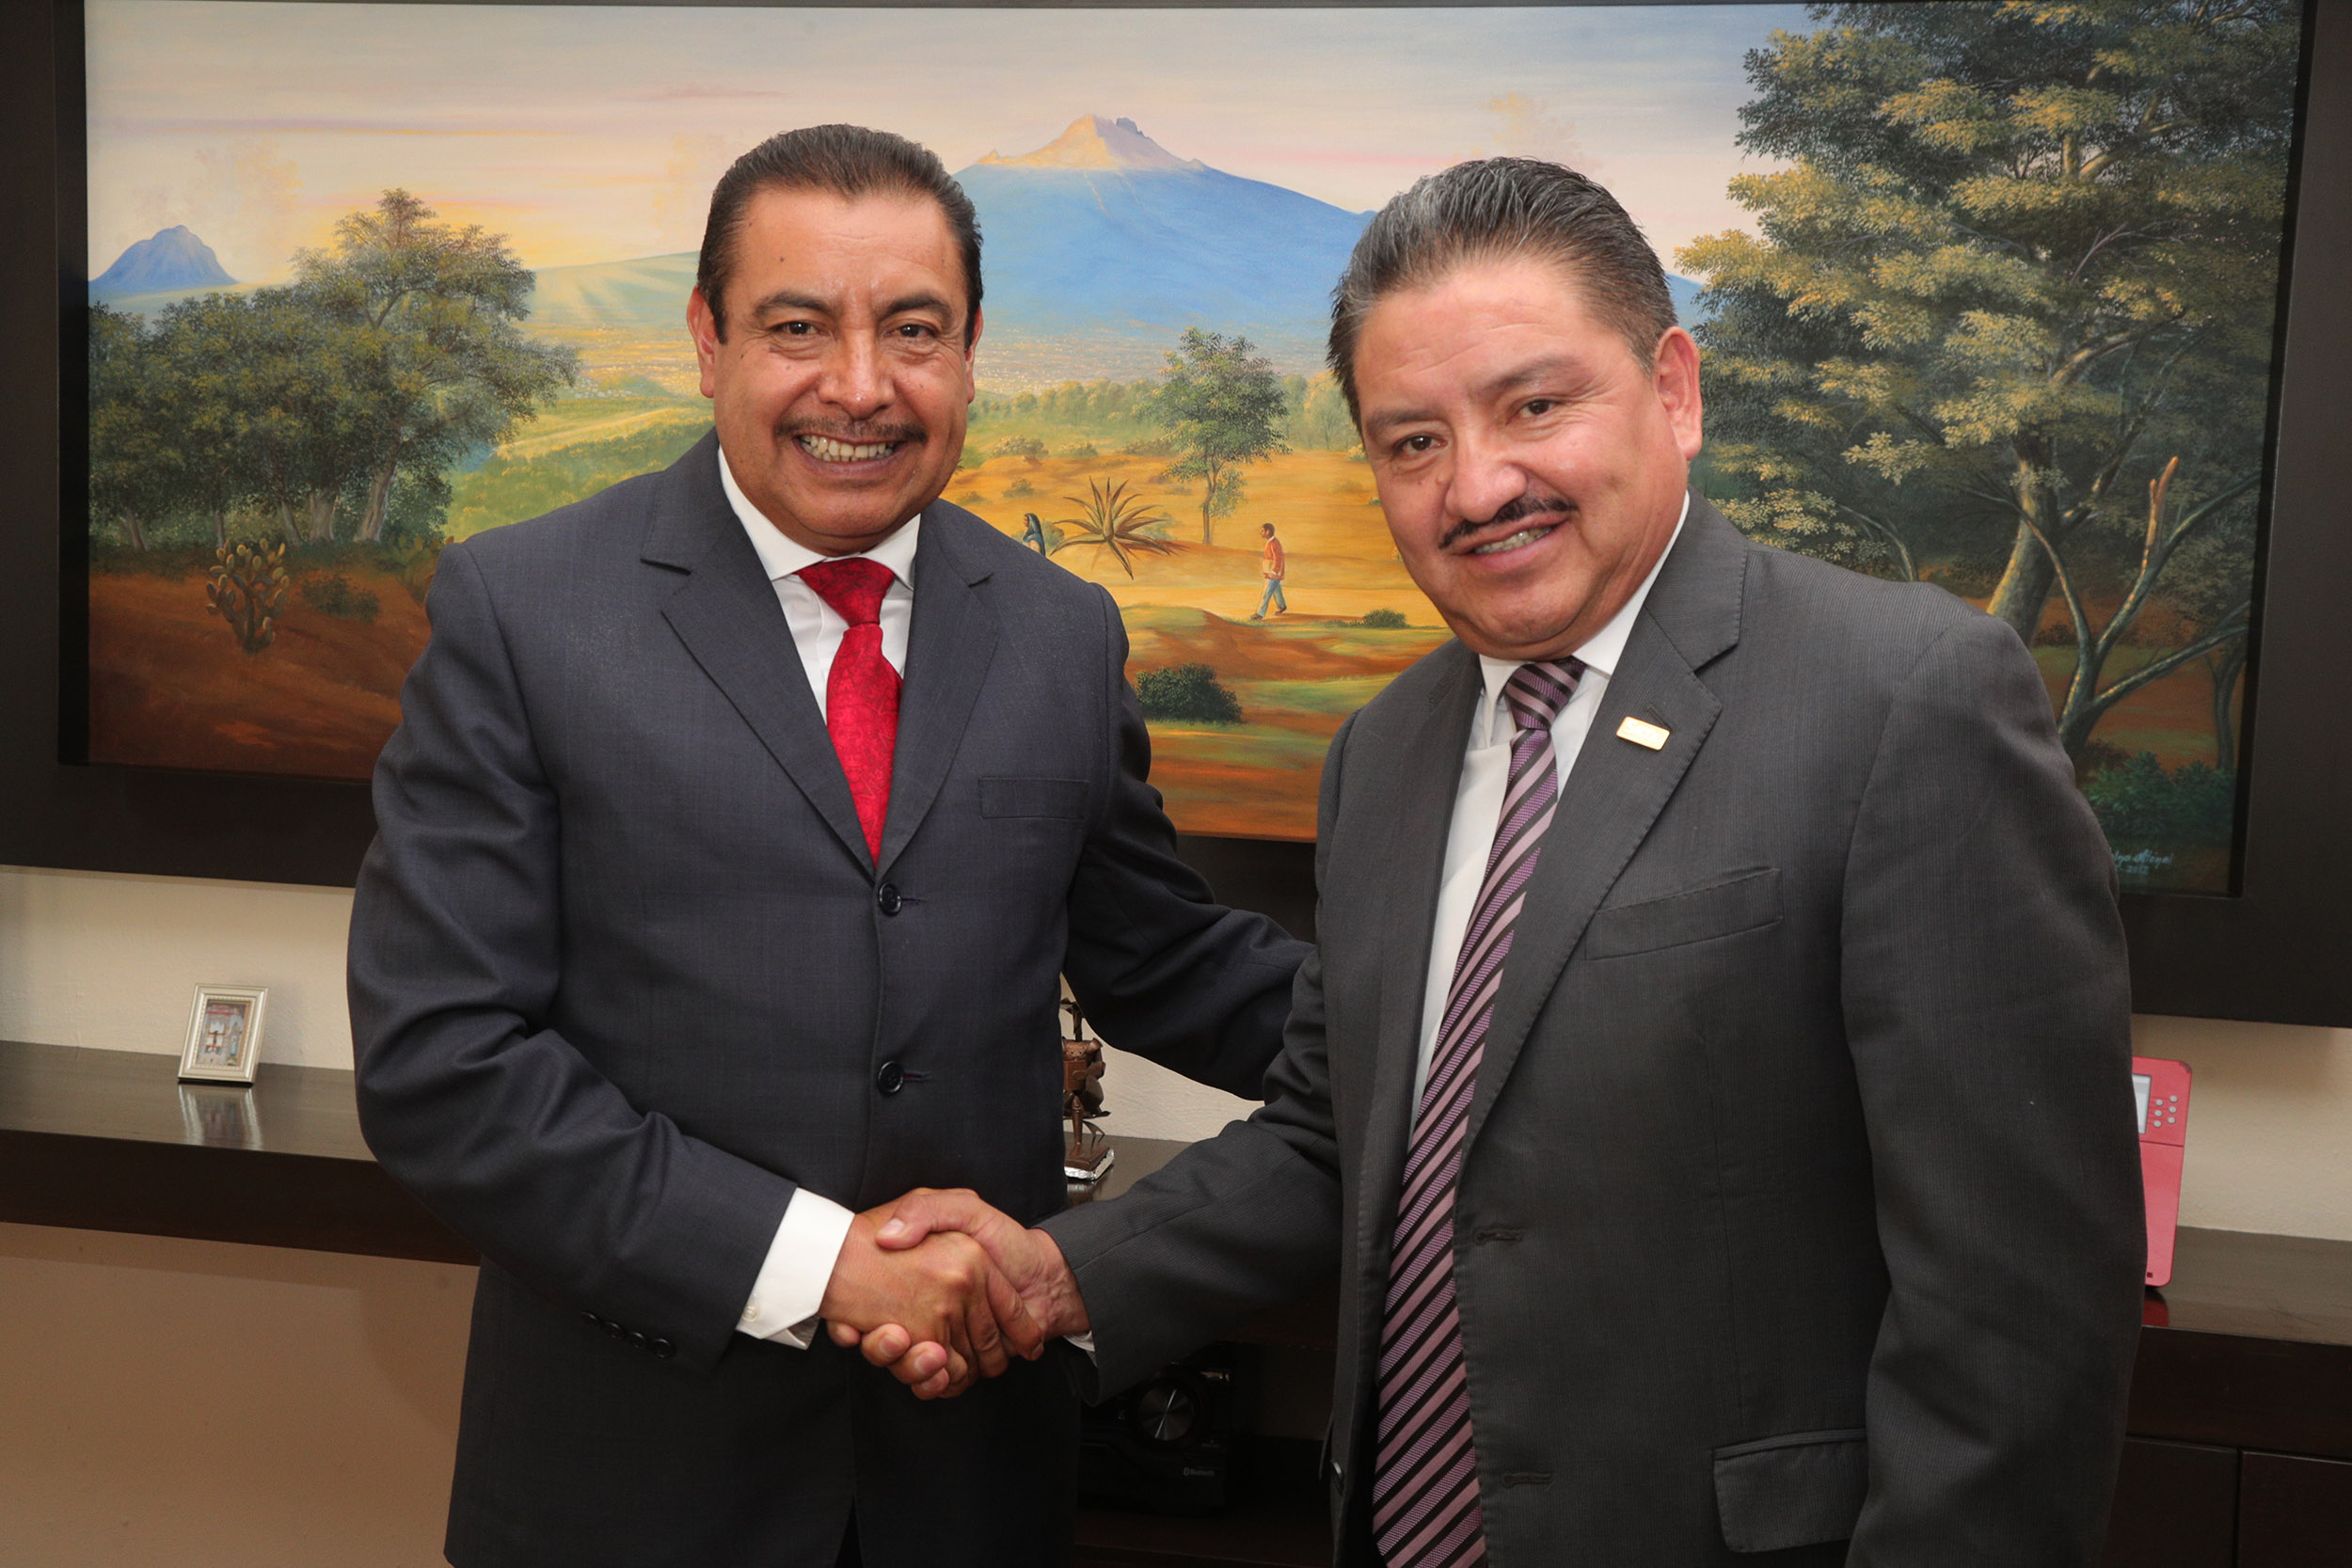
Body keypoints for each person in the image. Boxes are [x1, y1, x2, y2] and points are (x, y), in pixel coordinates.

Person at [865, 157, 2145, 1566]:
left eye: (1535, 405)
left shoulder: (1906, 697)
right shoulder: (1386, 752)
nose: (1477, 485)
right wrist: (1055, 1272)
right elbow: (1339, 1135)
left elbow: (2018, 1322)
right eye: (1413, 440)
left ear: (1674, 390)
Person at [345, 124, 1307, 1568]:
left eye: (913, 329)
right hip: (636, 1483)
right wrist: (824, 1263)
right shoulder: (526, 609)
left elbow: (1162, 957)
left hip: (970, 1478)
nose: (860, 386)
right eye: (798, 326)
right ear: (708, 337)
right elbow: (443, 1062)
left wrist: (1461, 1028)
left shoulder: (1059, 630)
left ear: (969, 349)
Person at [1251, 520, 1288, 619]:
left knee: (1267, 592)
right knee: (1276, 589)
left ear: (1268, 531)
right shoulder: (1270, 542)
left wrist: (1274, 572)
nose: (1261, 533)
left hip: (1274, 573)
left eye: (1262, 531)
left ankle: (1260, 614)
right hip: (1271, 572)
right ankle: (1282, 605)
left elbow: (1278, 559)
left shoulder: (1275, 543)